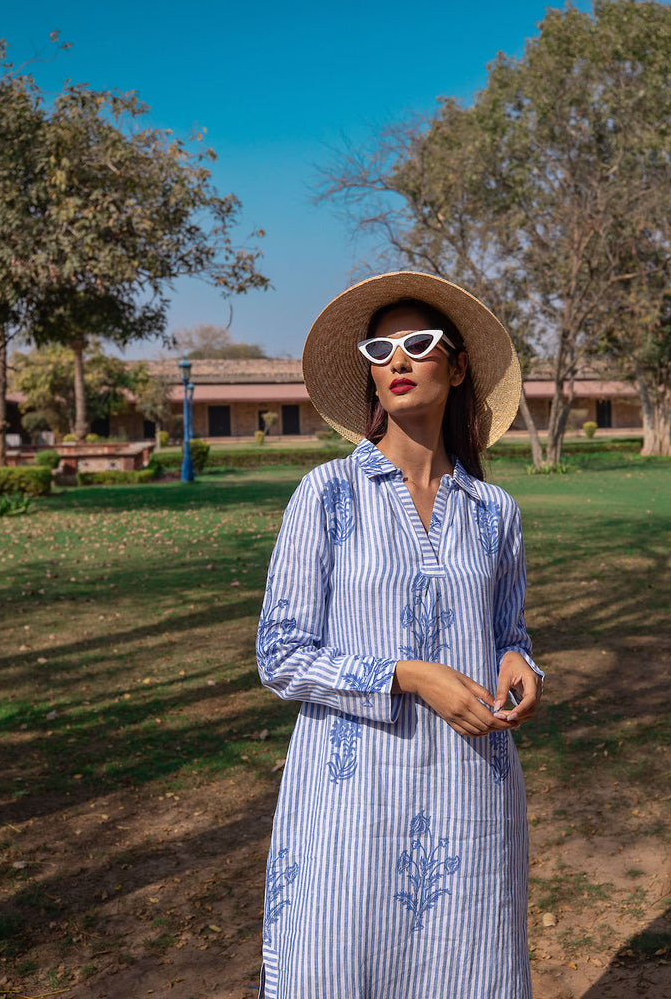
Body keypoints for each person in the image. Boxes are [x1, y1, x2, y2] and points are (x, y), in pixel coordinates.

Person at [255, 271, 544, 998]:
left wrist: (520, 660)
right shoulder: (326, 493)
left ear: (458, 364)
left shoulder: (494, 511)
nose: (398, 361)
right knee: (338, 968)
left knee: (469, 970)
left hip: (470, 792)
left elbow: (508, 629)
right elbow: (280, 655)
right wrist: (408, 673)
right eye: (380, 349)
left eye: (418, 344)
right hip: (351, 800)